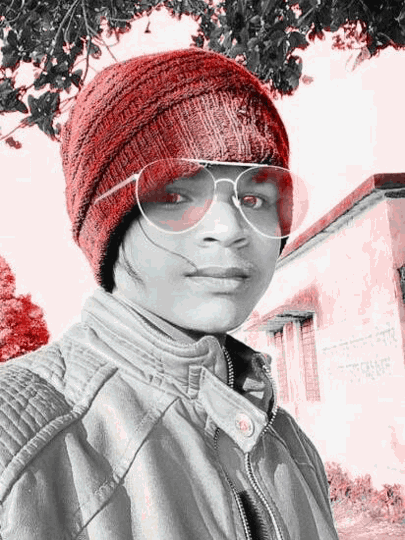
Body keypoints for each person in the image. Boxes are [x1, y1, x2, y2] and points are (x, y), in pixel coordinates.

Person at [0, 48, 339, 540]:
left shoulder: (291, 446)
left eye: (253, 198)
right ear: (108, 224)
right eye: (177, 195)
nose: (229, 229)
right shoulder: (18, 441)